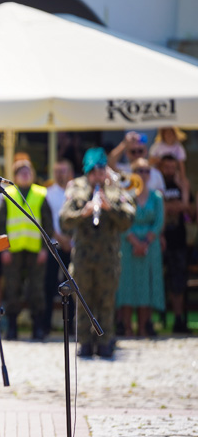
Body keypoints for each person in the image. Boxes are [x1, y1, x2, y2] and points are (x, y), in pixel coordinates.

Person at [60, 148, 135, 358]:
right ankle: (84, 342)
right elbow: (64, 219)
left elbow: (128, 220)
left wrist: (109, 208)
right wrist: (82, 212)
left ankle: (105, 341)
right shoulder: (76, 189)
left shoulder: (115, 189)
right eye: (93, 171)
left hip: (108, 259)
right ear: (87, 172)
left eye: (101, 170)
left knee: (106, 300)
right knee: (83, 300)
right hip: (83, 258)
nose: (98, 176)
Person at [0, 160, 53, 340]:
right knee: (12, 288)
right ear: (15, 175)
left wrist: (45, 248)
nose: (25, 174)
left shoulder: (41, 193)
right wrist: (3, 249)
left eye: (28, 170)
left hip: (36, 249)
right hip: (13, 250)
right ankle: (12, 327)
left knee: (36, 288)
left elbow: (48, 224)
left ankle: (37, 327)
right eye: (20, 171)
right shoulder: (7, 193)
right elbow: (1, 224)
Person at [116, 158, 165, 337]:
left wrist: (145, 242)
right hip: (129, 245)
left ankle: (145, 327)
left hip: (149, 246)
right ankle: (127, 327)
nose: (144, 174)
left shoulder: (156, 197)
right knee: (127, 285)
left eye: (147, 171)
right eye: (140, 171)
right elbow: (122, 222)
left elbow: (159, 222)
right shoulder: (125, 196)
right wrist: (135, 242)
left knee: (146, 285)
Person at [159, 154, 194, 333]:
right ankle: (153, 322)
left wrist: (184, 190)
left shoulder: (182, 185)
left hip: (178, 241)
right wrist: (174, 206)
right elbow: (161, 207)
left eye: (173, 167)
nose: (170, 171)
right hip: (159, 240)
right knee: (158, 282)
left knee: (178, 282)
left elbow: (190, 211)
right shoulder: (157, 183)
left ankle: (179, 320)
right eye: (167, 167)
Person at [42, 158, 75, 336]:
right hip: (53, 245)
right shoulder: (47, 193)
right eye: (58, 171)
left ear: (70, 172)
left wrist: (70, 239)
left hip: (73, 245)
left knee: (73, 285)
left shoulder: (77, 192)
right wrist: (60, 238)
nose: (61, 174)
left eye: (64, 170)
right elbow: (46, 220)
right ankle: (46, 325)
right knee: (49, 285)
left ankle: (71, 326)